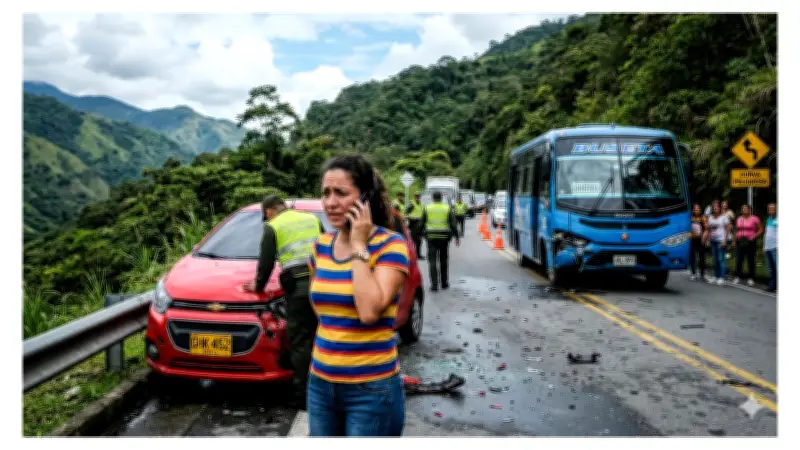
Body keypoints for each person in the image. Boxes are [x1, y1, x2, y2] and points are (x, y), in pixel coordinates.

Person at [306, 153, 409, 436]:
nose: (330, 202)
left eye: (341, 193)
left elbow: (368, 312)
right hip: (321, 383)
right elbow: (323, 312)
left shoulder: (390, 246)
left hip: (371, 388)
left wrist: (359, 244)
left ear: (365, 198)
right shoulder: (321, 247)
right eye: (326, 193)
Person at [243, 194, 324, 410]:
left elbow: (266, 263)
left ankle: (304, 397)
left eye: (266, 215)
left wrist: (258, 286)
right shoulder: (311, 219)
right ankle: (334, 389)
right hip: (324, 285)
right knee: (324, 336)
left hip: (299, 290)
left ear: (269, 210)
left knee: (300, 341)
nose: (266, 218)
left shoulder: (273, 227)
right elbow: (327, 248)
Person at [420, 191, 460, 291]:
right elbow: (453, 224)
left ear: (432, 198)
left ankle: (434, 285)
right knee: (443, 260)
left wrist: (418, 234)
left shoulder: (427, 208)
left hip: (431, 237)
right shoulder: (447, 208)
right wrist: (457, 236)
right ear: (441, 198)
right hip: (444, 238)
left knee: (432, 261)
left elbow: (421, 223)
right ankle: (444, 283)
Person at [732, 204, 763, 286]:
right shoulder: (739, 219)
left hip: (750, 242)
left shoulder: (754, 218)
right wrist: (734, 241)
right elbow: (736, 230)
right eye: (743, 209)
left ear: (750, 210)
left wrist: (754, 236)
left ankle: (751, 278)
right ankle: (738, 276)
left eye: (746, 209)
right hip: (740, 241)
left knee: (750, 260)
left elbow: (761, 229)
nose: (744, 210)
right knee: (739, 260)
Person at [706, 200, 731, 285]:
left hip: (721, 241)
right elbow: (709, 229)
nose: (715, 208)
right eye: (714, 207)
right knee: (715, 260)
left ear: (720, 208)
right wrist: (708, 240)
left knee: (721, 259)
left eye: (717, 207)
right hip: (713, 241)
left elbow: (728, 229)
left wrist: (725, 240)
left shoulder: (724, 217)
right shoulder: (711, 218)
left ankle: (721, 278)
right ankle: (716, 276)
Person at [689, 203, 708, 282]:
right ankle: (693, 273)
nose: (697, 210)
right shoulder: (690, 218)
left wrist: (704, 238)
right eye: (695, 209)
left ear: (700, 210)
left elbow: (707, 228)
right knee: (692, 256)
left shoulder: (703, 217)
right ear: (693, 210)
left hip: (701, 239)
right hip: (693, 239)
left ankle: (702, 274)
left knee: (702, 257)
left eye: (698, 209)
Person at [405, 191, 424, 259]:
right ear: (414, 197)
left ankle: (418, 255)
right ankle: (410, 255)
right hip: (413, 224)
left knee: (419, 241)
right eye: (416, 196)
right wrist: (408, 220)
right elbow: (406, 213)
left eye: (418, 196)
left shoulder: (421, 204)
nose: (417, 197)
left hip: (419, 225)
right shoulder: (411, 204)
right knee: (412, 241)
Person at [763, 202, 777, 292]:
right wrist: (764, 246)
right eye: (770, 209)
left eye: (773, 209)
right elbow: (766, 233)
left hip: (775, 247)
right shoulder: (768, 219)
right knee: (770, 268)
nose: (771, 210)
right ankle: (772, 285)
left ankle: (775, 285)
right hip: (768, 247)